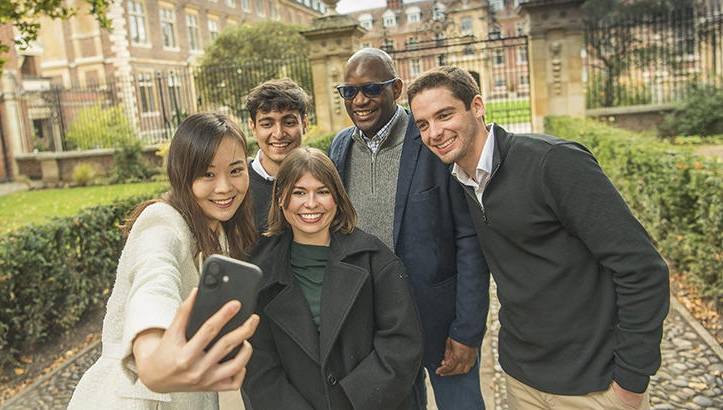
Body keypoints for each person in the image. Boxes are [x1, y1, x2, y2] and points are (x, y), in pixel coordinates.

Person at [407, 66, 670, 409]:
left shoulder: (552, 162)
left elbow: (643, 269)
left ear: (477, 106)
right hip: (522, 381)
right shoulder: (461, 182)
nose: (435, 133)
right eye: (423, 125)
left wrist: (631, 381)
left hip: (594, 385)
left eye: (444, 115)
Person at [328, 48, 490, 409]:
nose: (360, 100)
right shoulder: (339, 146)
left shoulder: (433, 140)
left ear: (396, 88)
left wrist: (467, 330)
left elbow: (470, 239)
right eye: (349, 92)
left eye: (371, 88)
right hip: (376, 323)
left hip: (439, 320)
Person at [68, 111, 260, 409]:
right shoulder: (162, 221)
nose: (224, 187)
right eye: (208, 174)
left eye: (235, 170)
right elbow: (154, 281)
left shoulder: (219, 230)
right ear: (182, 175)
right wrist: (151, 356)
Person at [242, 147, 424, 409]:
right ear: (281, 199)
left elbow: (402, 342)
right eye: (299, 192)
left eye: (323, 191)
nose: (311, 203)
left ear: (337, 198)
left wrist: (350, 402)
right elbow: (259, 364)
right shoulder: (262, 276)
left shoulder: (376, 260)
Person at [245, 78, 311, 233]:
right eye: (267, 124)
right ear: (253, 128)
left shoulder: (320, 179)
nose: (279, 134)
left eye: (289, 123)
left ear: (304, 124)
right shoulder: (239, 185)